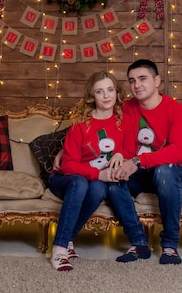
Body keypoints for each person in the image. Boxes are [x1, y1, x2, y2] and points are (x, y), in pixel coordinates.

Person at [47, 71, 134, 271]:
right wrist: (99, 174)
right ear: (91, 96)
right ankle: (60, 249)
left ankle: (68, 239)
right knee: (80, 182)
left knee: (98, 189)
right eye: (100, 91)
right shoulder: (80, 124)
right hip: (65, 180)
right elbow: (68, 165)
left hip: (93, 183)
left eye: (110, 90)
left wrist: (121, 154)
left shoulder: (124, 121)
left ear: (117, 93)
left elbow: (129, 149)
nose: (106, 96)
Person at [109, 59, 182, 265]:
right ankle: (139, 243)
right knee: (112, 179)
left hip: (174, 174)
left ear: (157, 81)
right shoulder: (126, 108)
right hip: (141, 174)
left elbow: (179, 152)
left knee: (164, 171)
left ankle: (170, 246)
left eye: (142, 78)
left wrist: (137, 160)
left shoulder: (177, 110)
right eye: (132, 80)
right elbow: (102, 130)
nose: (137, 85)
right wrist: (120, 157)